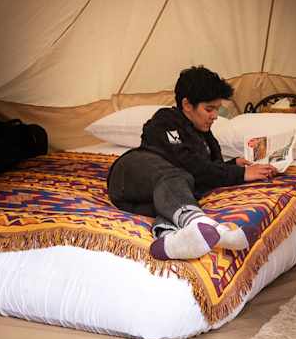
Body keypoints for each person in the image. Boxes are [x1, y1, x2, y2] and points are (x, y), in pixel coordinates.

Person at [106, 66, 276, 260]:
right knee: (179, 175)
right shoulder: (164, 121)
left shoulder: (205, 133)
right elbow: (190, 164)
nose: (214, 116)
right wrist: (241, 174)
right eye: (209, 109)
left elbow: (209, 169)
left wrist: (233, 164)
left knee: (177, 194)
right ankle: (213, 229)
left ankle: (168, 241)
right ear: (187, 105)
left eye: (217, 109)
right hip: (130, 174)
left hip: (147, 198)